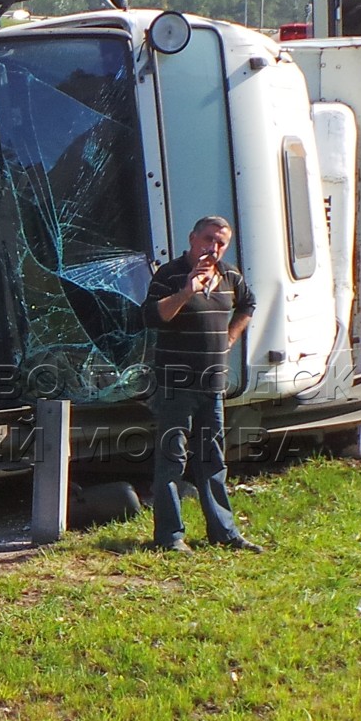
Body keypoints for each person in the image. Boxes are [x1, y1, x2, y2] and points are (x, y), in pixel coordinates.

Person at [141, 215, 263, 554]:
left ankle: (223, 532)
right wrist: (185, 293)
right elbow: (151, 317)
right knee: (172, 460)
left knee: (212, 459)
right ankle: (169, 536)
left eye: (221, 243)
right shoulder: (170, 274)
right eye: (208, 239)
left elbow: (248, 303)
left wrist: (230, 337)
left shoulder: (230, 275)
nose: (213, 248)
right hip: (174, 385)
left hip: (212, 385)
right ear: (193, 238)